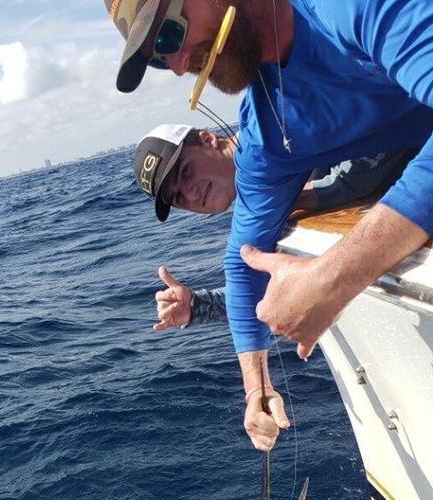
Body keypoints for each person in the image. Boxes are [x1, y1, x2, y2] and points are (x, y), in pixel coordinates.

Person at [104, 0, 433, 451]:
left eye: (169, 35)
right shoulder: (266, 137)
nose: (180, 66)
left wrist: (335, 275)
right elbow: (242, 265)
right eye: (161, 61)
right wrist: (255, 387)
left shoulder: (342, 10)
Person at [133, 123, 414, 327]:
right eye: (178, 197)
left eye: (186, 171)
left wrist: (307, 196)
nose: (190, 192)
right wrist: (198, 306)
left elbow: (379, 131)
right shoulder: (259, 205)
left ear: (208, 139)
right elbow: (269, 288)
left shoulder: (273, 128)